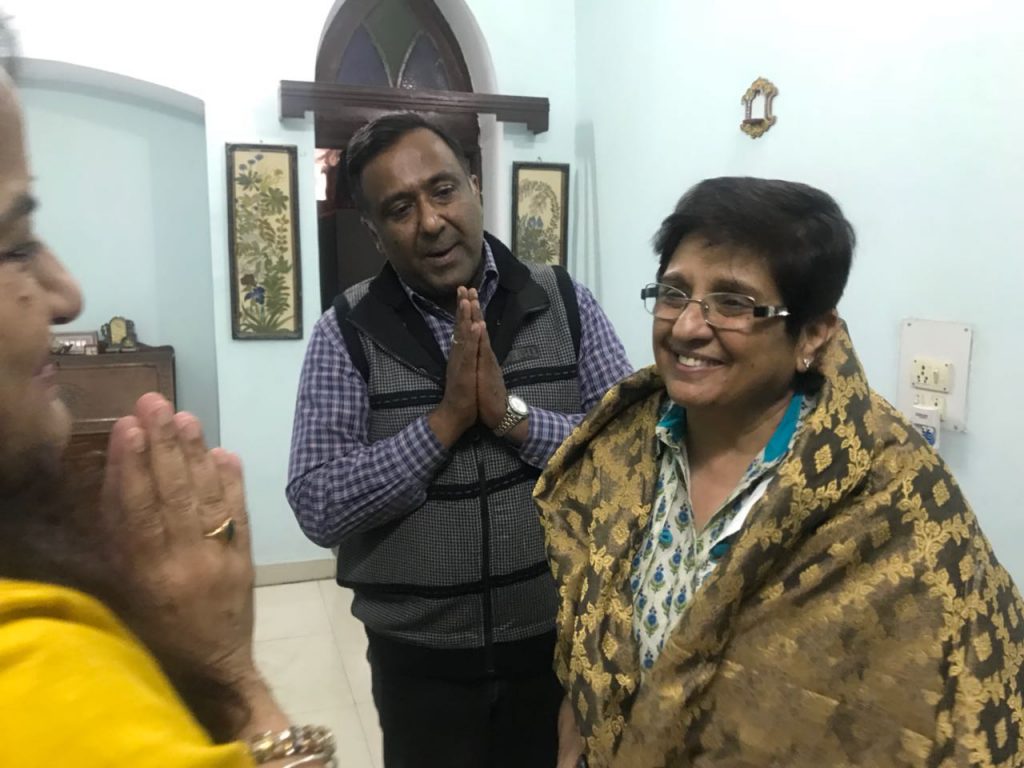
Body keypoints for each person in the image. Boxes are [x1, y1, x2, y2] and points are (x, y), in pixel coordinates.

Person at [534, 177, 1024, 767]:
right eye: (674, 292)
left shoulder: (892, 495)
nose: (688, 326)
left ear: (812, 335)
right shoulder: (618, 449)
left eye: (734, 303)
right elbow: (586, 653)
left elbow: (963, 709)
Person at [0, 22, 333, 767]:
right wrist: (234, 681)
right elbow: (322, 495)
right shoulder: (45, 688)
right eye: (15, 244)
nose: (66, 291)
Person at [287, 112, 633, 767]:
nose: (430, 221)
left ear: (474, 184)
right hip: (420, 666)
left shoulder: (564, 301)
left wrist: (510, 417)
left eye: (443, 190)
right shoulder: (346, 332)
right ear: (375, 229)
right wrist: (443, 422)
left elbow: (635, 458)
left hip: (557, 646)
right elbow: (318, 503)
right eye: (399, 207)